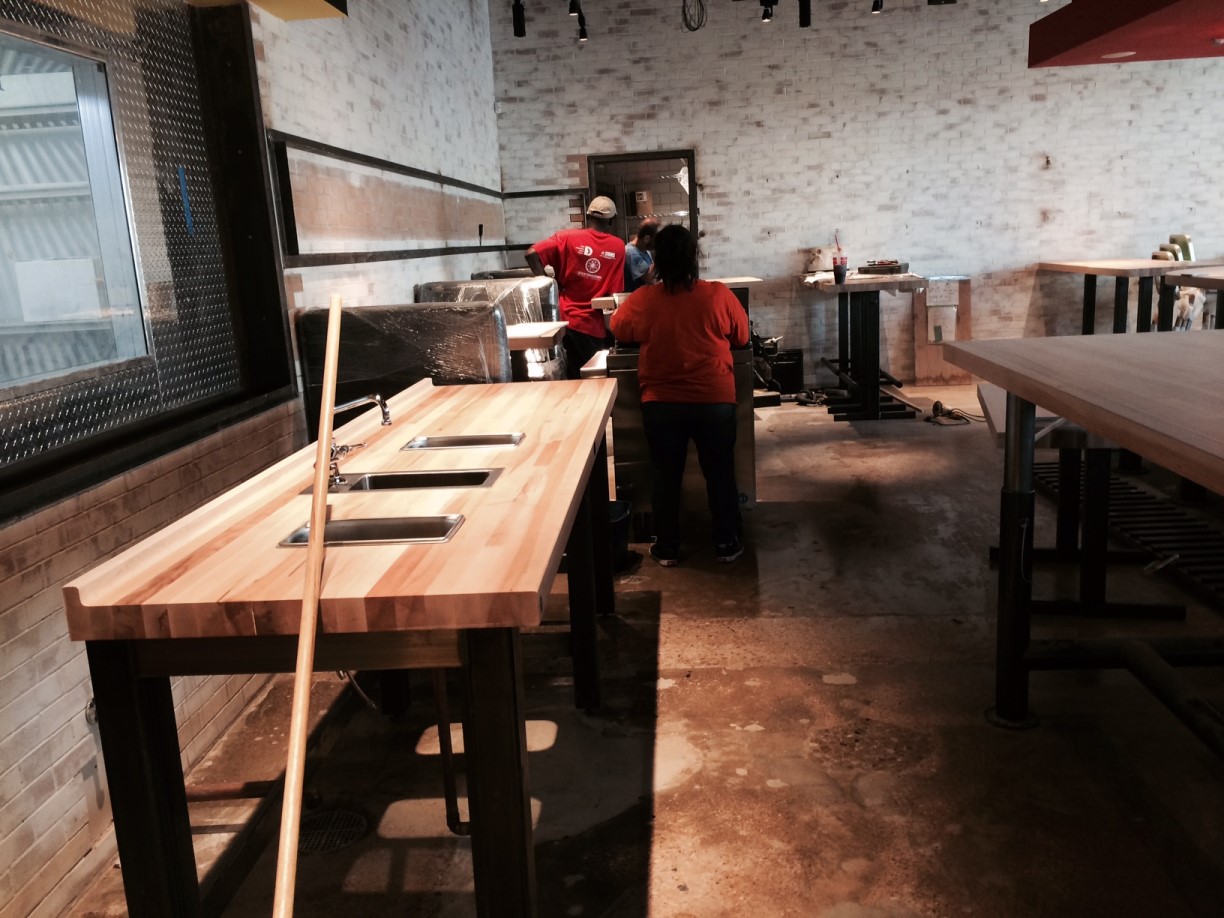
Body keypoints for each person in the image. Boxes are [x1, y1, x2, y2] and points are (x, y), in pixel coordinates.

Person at [609, 224, 749, 565]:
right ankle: (726, 542)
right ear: (693, 257)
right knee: (719, 473)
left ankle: (667, 547)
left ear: (657, 260)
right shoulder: (718, 294)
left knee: (665, 475)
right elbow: (742, 337)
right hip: (715, 401)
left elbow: (618, 328)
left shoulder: (644, 300)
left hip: (662, 404)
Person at [525, 196, 626, 378]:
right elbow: (615, 293)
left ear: (588, 216)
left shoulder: (566, 237)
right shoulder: (618, 247)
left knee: (569, 376)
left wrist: (550, 284)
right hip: (592, 326)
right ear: (611, 220)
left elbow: (532, 254)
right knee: (593, 377)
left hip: (564, 322)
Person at [624, 219, 660, 292]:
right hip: (634, 295)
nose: (656, 245)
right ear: (647, 238)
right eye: (655, 241)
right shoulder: (631, 252)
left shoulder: (645, 250)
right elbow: (650, 279)